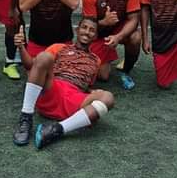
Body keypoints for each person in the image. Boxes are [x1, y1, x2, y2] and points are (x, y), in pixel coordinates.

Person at [12, 18, 115, 150]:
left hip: (75, 98)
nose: (87, 32)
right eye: (84, 27)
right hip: (52, 88)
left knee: (108, 97)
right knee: (44, 57)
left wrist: (93, 92)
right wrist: (21, 47)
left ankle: (57, 129)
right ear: (77, 30)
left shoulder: (96, 60)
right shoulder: (59, 47)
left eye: (92, 30)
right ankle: (26, 119)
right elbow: (32, 66)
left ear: (95, 36)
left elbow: (87, 84)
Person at [82, 0, 141, 90]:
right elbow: (87, 26)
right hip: (98, 33)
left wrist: (118, 37)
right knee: (103, 76)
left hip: (119, 29)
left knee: (136, 38)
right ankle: (105, 55)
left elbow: (133, 19)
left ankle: (126, 70)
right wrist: (104, 22)